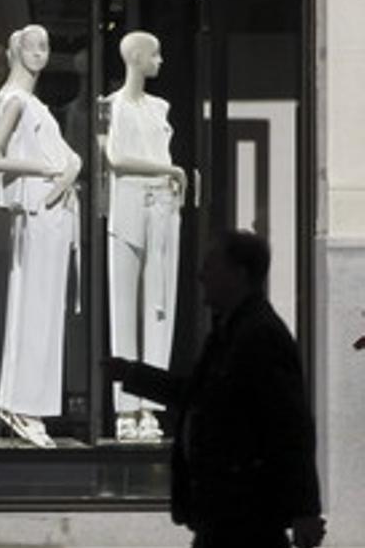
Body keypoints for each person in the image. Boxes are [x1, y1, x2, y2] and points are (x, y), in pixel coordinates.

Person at [106, 231, 325, 548]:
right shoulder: (230, 330)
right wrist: (132, 374)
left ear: (238, 274)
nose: (201, 275)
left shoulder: (259, 335)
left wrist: (305, 510)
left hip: (245, 514)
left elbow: (291, 428)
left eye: (211, 266)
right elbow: (198, 396)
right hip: (225, 511)